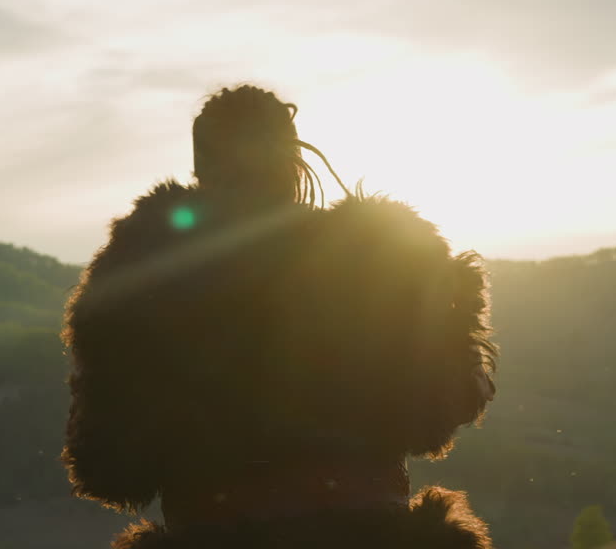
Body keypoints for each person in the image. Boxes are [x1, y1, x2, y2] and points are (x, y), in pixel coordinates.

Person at [62, 84, 497, 548]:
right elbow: (447, 401)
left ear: (201, 164)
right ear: (293, 157)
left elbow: (108, 465)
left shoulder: (137, 268)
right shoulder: (380, 250)